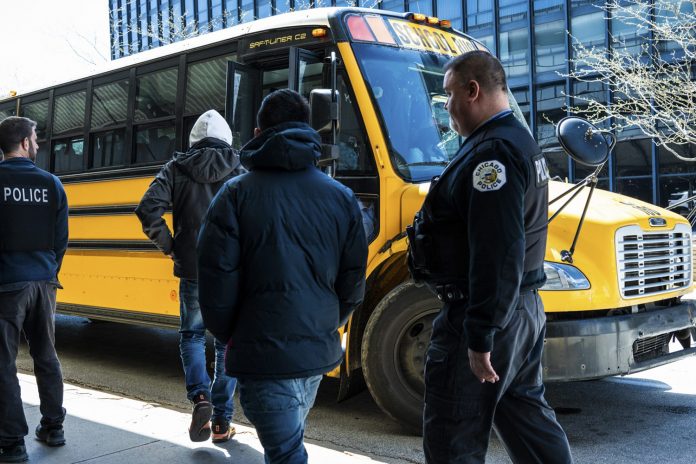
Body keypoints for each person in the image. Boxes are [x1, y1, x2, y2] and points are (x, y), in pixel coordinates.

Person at [408, 51, 574, 463]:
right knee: (526, 417)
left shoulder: (491, 154)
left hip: (483, 314)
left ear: (472, 90)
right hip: (520, 308)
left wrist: (481, 333)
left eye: (447, 95)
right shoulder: (516, 139)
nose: (446, 108)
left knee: (453, 436)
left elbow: (496, 250)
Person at [197, 89, 368, 464]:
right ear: (308, 129)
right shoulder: (341, 197)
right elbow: (354, 280)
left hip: (261, 356)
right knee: (289, 447)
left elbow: (214, 281)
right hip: (314, 354)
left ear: (258, 131)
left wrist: (234, 334)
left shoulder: (234, 196)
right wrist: (324, 322)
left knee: (286, 452)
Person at [135, 110, 244, 443]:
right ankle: (222, 423)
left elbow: (147, 208)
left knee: (192, 335)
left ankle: (200, 398)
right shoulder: (240, 170)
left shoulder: (175, 168)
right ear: (226, 138)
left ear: (194, 140)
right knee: (227, 343)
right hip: (230, 269)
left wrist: (171, 246)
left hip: (193, 267)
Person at [0, 117, 69, 463]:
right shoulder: (52, 184)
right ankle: (53, 426)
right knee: (46, 355)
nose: (38, 144)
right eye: (36, 138)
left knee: (4, 363)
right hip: (44, 282)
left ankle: (12, 443)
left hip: (6, 284)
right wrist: (46, 271)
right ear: (25, 143)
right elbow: (61, 240)